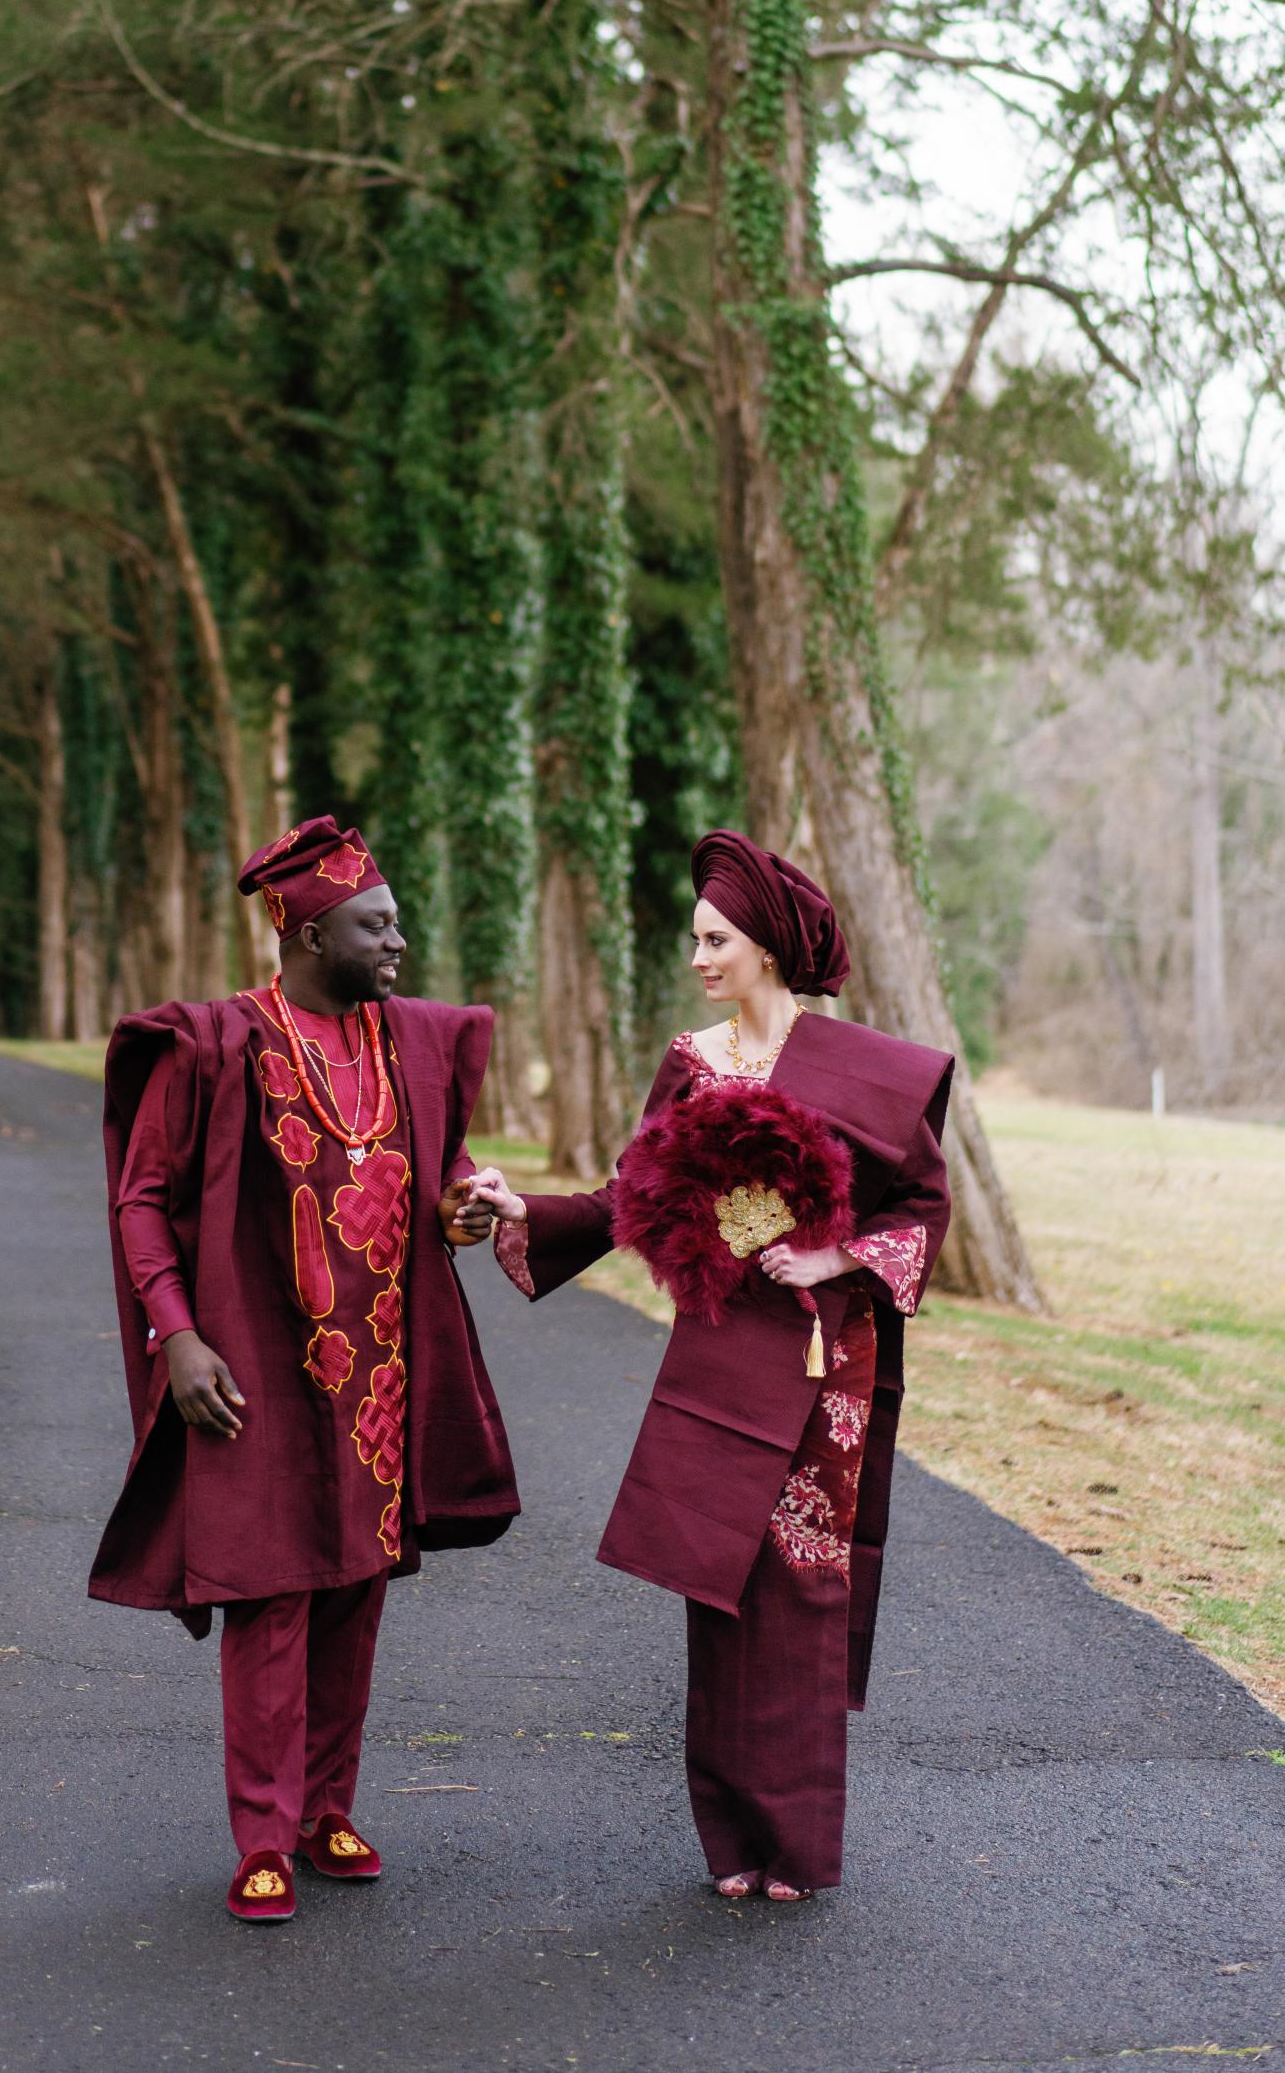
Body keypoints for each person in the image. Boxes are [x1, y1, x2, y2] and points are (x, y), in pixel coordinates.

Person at [464, 828, 951, 1902]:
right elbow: (629, 1197)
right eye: (695, 938)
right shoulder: (693, 1061)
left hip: (828, 1363)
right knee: (715, 1588)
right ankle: (732, 1841)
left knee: (799, 1588)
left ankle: (798, 1850)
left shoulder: (868, 1071)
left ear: (768, 949)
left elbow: (922, 1206)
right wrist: (523, 1213)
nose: (698, 958)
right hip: (719, 1358)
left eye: (715, 938)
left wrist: (834, 1252)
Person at [89, 817, 517, 1924]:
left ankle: (330, 1809)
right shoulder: (217, 1044)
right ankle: (263, 1837)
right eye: (377, 924)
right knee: (270, 1595)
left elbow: (442, 1173)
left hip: (380, 1370)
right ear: (308, 931)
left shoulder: (405, 1043)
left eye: (397, 922)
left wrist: (463, 1208)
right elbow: (141, 1199)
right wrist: (176, 1335)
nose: (400, 942)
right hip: (257, 1364)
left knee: (356, 1593)